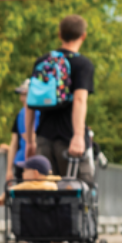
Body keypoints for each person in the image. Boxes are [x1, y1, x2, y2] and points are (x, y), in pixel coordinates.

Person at [26, 15, 95, 186]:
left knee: (46, 193)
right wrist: (78, 136)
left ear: (60, 35)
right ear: (83, 36)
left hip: (44, 138)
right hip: (69, 139)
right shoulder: (82, 64)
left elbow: (30, 103)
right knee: (79, 191)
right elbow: (79, 100)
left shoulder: (42, 61)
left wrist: (30, 140)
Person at [5, 79, 38, 186]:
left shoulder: (39, 113)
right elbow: (14, 143)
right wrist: (9, 170)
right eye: (22, 94)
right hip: (20, 161)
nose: (22, 97)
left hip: (36, 164)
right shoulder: (20, 114)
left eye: (25, 94)